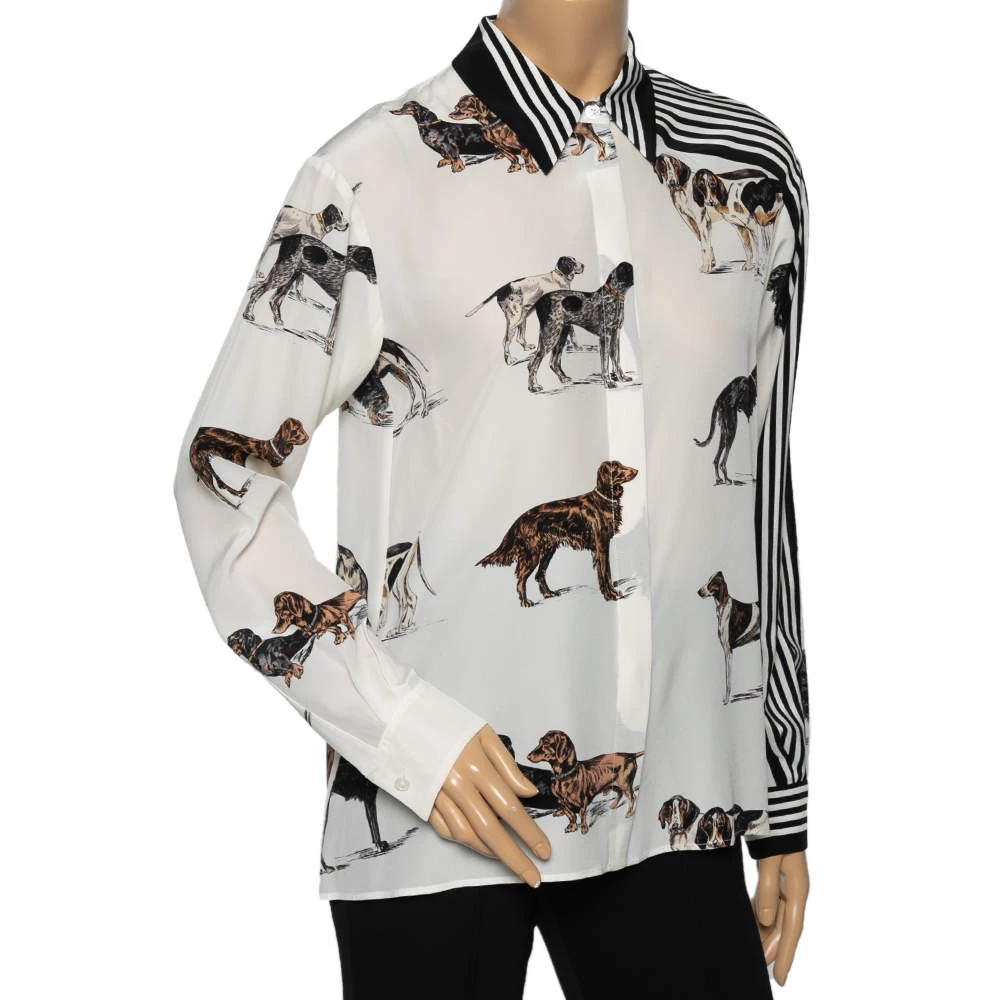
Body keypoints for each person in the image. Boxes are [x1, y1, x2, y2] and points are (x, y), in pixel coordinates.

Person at [172, 1, 811, 995]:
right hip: (437, 807)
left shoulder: (746, 166)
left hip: (677, 796)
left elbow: (762, 496)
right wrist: (400, 731)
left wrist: (782, 796)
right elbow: (221, 486)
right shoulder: (369, 176)